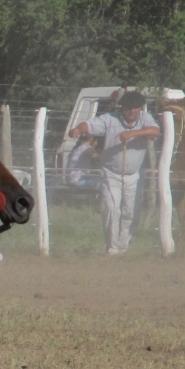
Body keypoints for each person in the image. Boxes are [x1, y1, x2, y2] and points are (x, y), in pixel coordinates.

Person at [69, 90, 160, 254]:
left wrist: (133, 134)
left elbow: (155, 131)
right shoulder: (110, 119)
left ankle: (123, 246)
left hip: (134, 175)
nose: (132, 111)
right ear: (123, 108)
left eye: (135, 108)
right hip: (111, 173)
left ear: (140, 109)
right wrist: (77, 129)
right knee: (112, 209)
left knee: (130, 212)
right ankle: (112, 248)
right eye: (128, 108)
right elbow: (88, 125)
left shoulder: (145, 119)